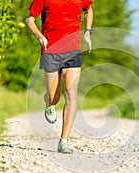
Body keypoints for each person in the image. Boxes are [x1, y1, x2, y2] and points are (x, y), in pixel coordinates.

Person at [25, 0, 93, 154]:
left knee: (70, 92)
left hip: (73, 50)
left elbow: (88, 9)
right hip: (50, 50)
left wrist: (88, 31)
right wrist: (38, 35)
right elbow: (29, 19)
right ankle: (49, 103)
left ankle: (64, 140)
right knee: (54, 97)